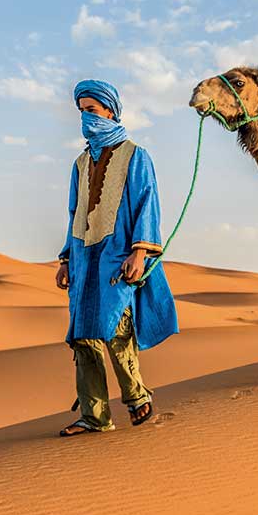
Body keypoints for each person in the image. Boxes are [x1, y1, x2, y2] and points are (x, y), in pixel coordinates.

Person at [56, 79, 179, 436]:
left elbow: (147, 202)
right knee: (83, 336)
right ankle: (94, 416)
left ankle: (137, 395)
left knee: (116, 326)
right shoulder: (80, 163)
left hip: (118, 253)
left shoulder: (135, 155)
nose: (86, 120)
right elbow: (73, 212)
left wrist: (140, 251)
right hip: (83, 255)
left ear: (110, 111)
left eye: (91, 111)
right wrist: (66, 259)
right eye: (81, 113)